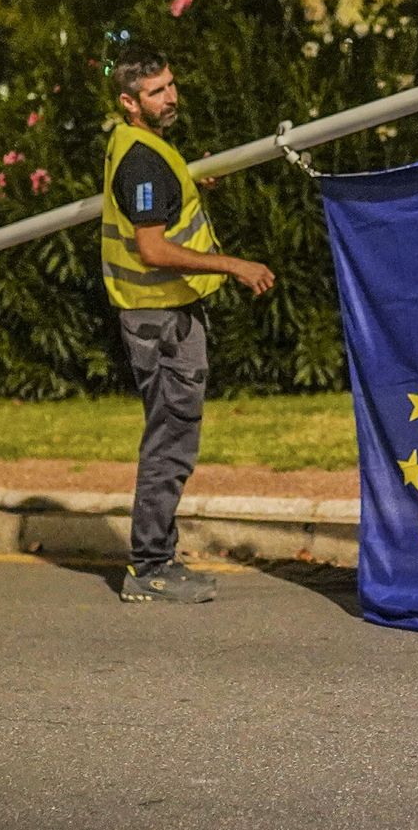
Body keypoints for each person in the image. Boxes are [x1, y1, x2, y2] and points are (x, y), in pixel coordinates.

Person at [102, 45, 275, 604]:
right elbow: (152, 248)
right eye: (156, 92)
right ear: (130, 102)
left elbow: (156, 207)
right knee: (170, 441)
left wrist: (188, 188)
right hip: (160, 320)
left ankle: (157, 557)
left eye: (171, 85)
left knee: (171, 436)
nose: (170, 97)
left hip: (161, 315)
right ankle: (150, 566)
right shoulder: (142, 160)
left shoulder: (144, 147)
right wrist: (233, 264)